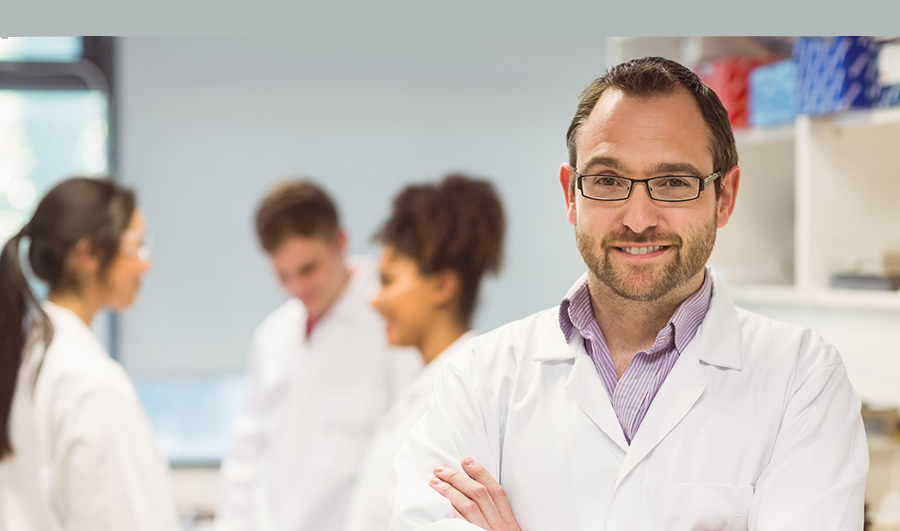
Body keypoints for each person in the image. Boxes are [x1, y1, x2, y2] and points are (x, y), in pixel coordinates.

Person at [388, 57, 869, 531]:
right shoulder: (482, 377)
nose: (638, 219)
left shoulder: (803, 379)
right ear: (571, 195)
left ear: (725, 197)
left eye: (673, 182)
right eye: (607, 181)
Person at [216, 178, 420, 531]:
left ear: (340, 241)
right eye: (283, 275)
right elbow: (248, 456)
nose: (298, 288)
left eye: (309, 269)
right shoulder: (273, 335)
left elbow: (411, 447)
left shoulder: (390, 318)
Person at [0, 177, 180, 530]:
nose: (147, 264)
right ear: (89, 253)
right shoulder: (87, 379)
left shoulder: (25, 354)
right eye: (137, 245)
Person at [343, 174, 505, 531]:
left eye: (388, 280)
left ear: (440, 284)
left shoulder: (465, 394)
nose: (375, 299)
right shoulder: (427, 389)